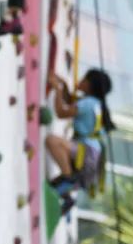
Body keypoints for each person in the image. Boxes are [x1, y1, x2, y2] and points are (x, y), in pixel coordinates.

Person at [45, 68, 115, 214]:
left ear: (90, 85)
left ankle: (67, 179)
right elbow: (70, 100)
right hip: (92, 155)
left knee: (52, 141)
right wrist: (63, 85)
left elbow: (61, 112)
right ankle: (67, 195)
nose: (80, 80)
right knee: (54, 185)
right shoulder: (94, 104)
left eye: (84, 79)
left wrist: (57, 89)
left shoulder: (88, 103)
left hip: (86, 152)